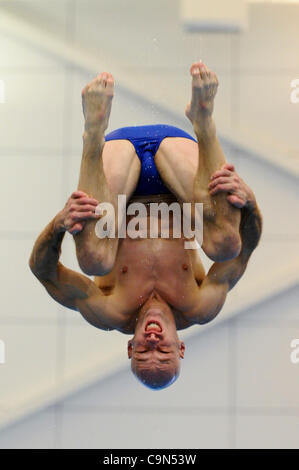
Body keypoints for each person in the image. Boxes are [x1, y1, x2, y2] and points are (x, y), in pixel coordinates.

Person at [29, 62, 262, 390]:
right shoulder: (199, 304)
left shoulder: (109, 311)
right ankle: (204, 120)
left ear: (130, 347)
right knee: (227, 243)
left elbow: (45, 273)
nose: (153, 339)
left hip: (117, 168)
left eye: (143, 349)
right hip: (176, 165)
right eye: (163, 349)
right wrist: (249, 201)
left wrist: (58, 224)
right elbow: (247, 248)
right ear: (180, 346)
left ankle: (92, 135)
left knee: (94, 260)